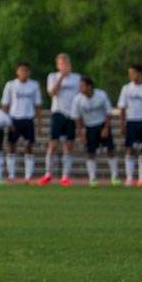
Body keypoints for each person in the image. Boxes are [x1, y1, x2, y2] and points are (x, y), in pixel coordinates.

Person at [39, 53, 81, 186]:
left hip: (72, 114)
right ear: (58, 65)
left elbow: (80, 96)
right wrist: (61, 78)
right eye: (61, 64)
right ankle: (48, 173)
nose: (64, 66)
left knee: (68, 145)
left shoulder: (77, 78)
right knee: (53, 144)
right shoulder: (52, 76)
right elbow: (52, 93)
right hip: (58, 112)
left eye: (66, 64)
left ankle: (65, 176)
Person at [72, 77, 119, 187]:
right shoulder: (77, 99)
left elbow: (108, 112)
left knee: (110, 150)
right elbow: (77, 117)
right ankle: (92, 178)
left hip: (102, 124)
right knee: (90, 152)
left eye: (82, 86)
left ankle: (115, 177)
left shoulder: (101, 95)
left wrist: (106, 128)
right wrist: (81, 133)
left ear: (89, 87)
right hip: (89, 127)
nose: (80, 88)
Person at [0, 61, 42, 183]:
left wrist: (39, 122)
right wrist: (5, 120)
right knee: (12, 147)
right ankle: (11, 175)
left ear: (29, 72)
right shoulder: (11, 85)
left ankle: (28, 176)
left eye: (26, 70)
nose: (24, 73)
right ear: (17, 72)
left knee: (29, 146)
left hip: (28, 118)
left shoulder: (34, 85)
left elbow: (38, 105)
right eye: (21, 70)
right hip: (14, 119)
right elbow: (5, 104)